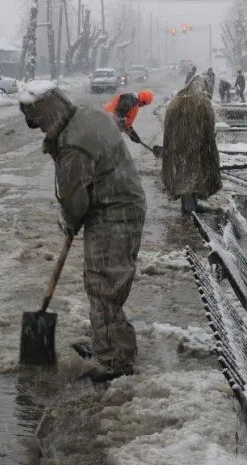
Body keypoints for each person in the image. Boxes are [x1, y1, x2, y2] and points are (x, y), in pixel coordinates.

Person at [18, 81, 146, 383]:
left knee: (104, 285)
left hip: (113, 213)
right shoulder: (86, 115)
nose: (39, 131)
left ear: (49, 115)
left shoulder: (73, 143)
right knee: (106, 283)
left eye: (38, 124)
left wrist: (71, 221)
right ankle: (108, 344)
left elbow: (75, 199)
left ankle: (115, 360)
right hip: (120, 204)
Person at [162, 74, 222, 213]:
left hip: (176, 145)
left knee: (183, 174)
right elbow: (209, 124)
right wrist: (208, 142)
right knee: (193, 175)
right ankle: (190, 209)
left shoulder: (175, 101)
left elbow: (167, 126)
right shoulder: (202, 101)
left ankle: (190, 204)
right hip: (194, 144)